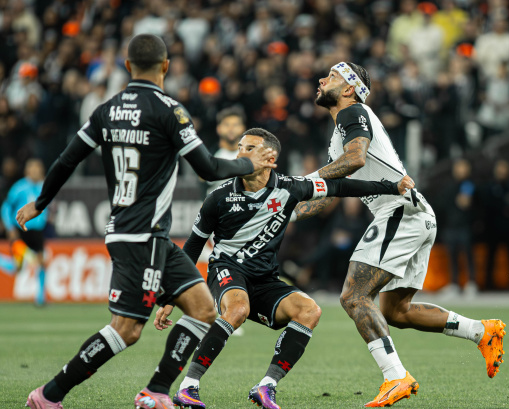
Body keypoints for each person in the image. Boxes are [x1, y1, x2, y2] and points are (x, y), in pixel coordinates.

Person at [17, 34, 276, 409]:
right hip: (142, 236)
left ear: (127, 66)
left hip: (144, 235)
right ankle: (48, 395)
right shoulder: (169, 110)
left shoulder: (106, 110)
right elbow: (207, 168)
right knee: (126, 330)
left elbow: (66, 159)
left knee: (203, 308)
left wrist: (40, 202)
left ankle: (156, 391)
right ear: (165, 66)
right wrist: (248, 164)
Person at [295, 62, 506, 407]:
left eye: (331, 76)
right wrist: (287, 209)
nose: (321, 79)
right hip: (413, 213)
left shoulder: (352, 112)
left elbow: (356, 159)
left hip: (399, 210)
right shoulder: (340, 133)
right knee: (396, 311)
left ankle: (396, 377)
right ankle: (482, 331)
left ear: (349, 89)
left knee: (353, 296)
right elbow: (329, 193)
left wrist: (300, 182)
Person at [156, 128, 415, 409]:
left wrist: (392, 186)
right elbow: (193, 246)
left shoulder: (291, 187)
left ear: (270, 158)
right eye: (240, 147)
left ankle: (267, 385)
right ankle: (188, 386)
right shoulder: (218, 197)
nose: (240, 153)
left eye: (249, 148)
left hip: (265, 278)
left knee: (309, 311)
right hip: (227, 270)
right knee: (238, 309)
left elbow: (340, 187)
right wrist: (171, 296)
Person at [1, 158, 48, 304]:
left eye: (37, 168)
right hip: (20, 230)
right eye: (32, 168)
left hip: (37, 232)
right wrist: (9, 227)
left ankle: (40, 299)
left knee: (42, 262)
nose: (35, 171)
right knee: (20, 267)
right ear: (27, 171)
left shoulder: (44, 187)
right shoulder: (19, 187)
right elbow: (6, 207)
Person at [440, 158, 477, 297]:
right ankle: (454, 284)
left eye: (463, 167)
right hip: (451, 227)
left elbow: (465, 203)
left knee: (468, 255)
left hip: (465, 227)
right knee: (452, 256)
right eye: (458, 167)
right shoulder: (449, 186)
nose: (460, 170)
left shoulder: (469, 184)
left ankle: (471, 283)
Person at [483, 159, 509, 290]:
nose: (502, 172)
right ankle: (488, 284)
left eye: (504, 169)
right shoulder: (490, 187)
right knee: (491, 256)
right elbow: (488, 205)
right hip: (494, 227)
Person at [204, 106, 247, 196]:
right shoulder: (208, 157)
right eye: (227, 125)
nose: (231, 129)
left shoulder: (251, 157)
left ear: (243, 128)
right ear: (218, 128)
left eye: (235, 125)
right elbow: (203, 185)